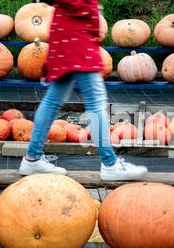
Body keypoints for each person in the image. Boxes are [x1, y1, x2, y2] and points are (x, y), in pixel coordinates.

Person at [19, 0, 148, 181]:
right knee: (95, 101)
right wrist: (89, 8)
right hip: (76, 34)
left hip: (68, 31)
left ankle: (32, 157)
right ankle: (110, 164)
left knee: (53, 99)